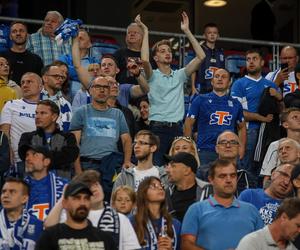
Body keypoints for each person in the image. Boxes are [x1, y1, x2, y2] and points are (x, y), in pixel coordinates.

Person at [137, 12, 206, 166]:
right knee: (156, 170)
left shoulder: (180, 75)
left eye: (168, 51)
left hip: (177, 130)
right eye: (162, 51)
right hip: (157, 129)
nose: (167, 53)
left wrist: (187, 31)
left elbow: (201, 56)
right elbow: (144, 60)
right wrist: (146, 31)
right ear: (156, 58)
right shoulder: (152, 75)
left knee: (176, 171)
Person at [44, 170, 141, 250]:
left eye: (96, 184)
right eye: (89, 187)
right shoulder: (72, 216)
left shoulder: (121, 219)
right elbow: (49, 226)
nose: (95, 189)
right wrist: (63, 198)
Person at [70, 76, 132, 199]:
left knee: (110, 202)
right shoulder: (81, 112)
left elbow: (127, 139)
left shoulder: (118, 114)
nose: (102, 90)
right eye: (98, 87)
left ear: (109, 91)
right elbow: (74, 144)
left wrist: (126, 162)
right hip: (87, 164)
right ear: (90, 91)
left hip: (111, 165)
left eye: (105, 87)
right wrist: (78, 171)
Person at [181, 159, 264, 250]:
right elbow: (186, 245)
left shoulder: (251, 210)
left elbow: (262, 244)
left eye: (232, 175)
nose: (228, 180)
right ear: (211, 180)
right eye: (222, 176)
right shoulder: (196, 210)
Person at [231, 49, 281, 177]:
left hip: (269, 132)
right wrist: (261, 118)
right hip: (248, 131)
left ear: (262, 62)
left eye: (254, 59)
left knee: (266, 170)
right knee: (246, 169)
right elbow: (237, 112)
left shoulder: (270, 85)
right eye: (248, 59)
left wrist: (279, 97)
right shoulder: (239, 84)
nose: (251, 62)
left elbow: (281, 111)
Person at [184, 68, 246, 164]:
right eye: (216, 76)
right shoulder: (200, 99)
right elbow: (188, 124)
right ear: (212, 82)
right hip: (205, 150)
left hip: (228, 151)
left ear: (229, 82)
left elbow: (242, 127)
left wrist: (241, 148)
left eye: (223, 77)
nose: (220, 79)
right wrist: (188, 145)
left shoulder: (236, 104)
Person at [35, 180, 117, 250]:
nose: (82, 203)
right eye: (77, 198)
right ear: (65, 203)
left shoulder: (105, 240)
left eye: (86, 198)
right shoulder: (49, 238)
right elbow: (48, 224)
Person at [18, 100, 79, 178]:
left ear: (54, 117)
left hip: (61, 185)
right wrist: (55, 156)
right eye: (36, 113)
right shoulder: (27, 137)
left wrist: (38, 158)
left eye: (43, 113)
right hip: (34, 184)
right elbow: (23, 155)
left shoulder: (68, 137)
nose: (37, 117)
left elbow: (69, 157)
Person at [0, 72, 42, 175]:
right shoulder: (11, 105)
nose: (25, 85)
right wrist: (8, 155)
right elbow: (4, 133)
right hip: (19, 160)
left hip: (42, 161)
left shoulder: (48, 107)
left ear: (40, 87)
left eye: (29, 82)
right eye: (22, 82)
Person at [18, 144, 68, 221]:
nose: (27, 158)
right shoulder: (17, 188)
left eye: (35, 155)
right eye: (27, 155)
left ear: (46, 162)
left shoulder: (64, 186)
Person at [130, 176, 181, 250]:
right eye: (154, 186)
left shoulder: (175, 224)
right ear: (143, 192)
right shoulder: (131, 223)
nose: (160, 188)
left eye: (161, 186)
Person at [165, 152, 211, 222]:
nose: (167, 170)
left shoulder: (208, 192)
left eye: (173, 166)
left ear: (187, 170)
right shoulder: (166, 193)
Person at [0, 177, 43, 249]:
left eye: (12, 192)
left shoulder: (38, 225)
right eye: (3, 191)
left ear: (24, 199)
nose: (5, 195)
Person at [260, 108, 300, 184]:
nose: (299, 119)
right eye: (295, 117)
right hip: (282, 187)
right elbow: (267, 176)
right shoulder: (276, 145)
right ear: (285, 124)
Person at [59, 29, 99, 101]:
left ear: (89, 44)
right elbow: (62, 73)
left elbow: (95, 79)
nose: (77, 40)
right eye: (75, 39)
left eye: (81, 38)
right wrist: (86, 74)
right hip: (66, 95)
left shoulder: (94, 61)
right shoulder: (64, 58)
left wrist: (72, 72)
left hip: (88, 97)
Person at [191, 23, 225, 94]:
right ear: (204, 35)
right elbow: (193, 70)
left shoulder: (220, 52)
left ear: (218, 36)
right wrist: (193, 87)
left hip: (216, 90)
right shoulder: (199, 50)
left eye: (215, 33)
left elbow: (223, 72)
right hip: (201, 89)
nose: (212, 35)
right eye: (209, 33)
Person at [41, 64, 72, 131]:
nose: (60, 79)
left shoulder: (66, 104)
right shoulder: (35, 99)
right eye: (56, 76)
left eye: (62, 77)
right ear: (45, 78)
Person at [113, 20, 144, 85]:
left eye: (135, 32)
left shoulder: (149, 54)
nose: (132, 34)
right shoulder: (119, 53)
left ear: (142, 37)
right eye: (129, 33)